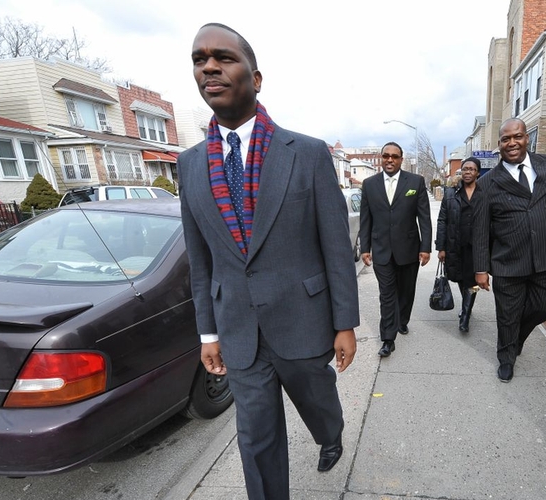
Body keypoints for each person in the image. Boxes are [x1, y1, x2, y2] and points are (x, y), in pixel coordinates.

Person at [178, 23, 359, 499]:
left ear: (256, 79)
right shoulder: (190, 164)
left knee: (317, 400)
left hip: (302, 318)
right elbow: (201, 258)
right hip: (238, 328)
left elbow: (337, 248)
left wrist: (345, 323)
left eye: (224, 58)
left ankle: (330, 432)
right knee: (255, 438)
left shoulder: (309, 154)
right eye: (200, 60)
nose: (210, 67)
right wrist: (208, 333)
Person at [473, 118, 546, 383]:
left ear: (527, 138)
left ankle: (516, 339)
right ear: (499, 144)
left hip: (545, 255)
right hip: (508, 260)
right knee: (507, 314)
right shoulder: (488, 183)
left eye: (517, 136)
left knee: (544, 308)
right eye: (506, 139)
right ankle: (506, 357)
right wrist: (480, 269)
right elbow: (480, 230)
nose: (512, 143)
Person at [359, 142, 432, 357]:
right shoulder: (369, 184)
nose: (389, 160)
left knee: (406, 291)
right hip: (381, 250)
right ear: (381, 158)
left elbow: (424, 218)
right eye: (386, 156)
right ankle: (388, 339)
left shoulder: (415, 182)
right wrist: (365, 248)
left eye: (394, 156)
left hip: (409, 249)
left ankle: (403, 319)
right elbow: (365, 219)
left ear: (401, 159)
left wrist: (425, 247)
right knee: (387, 294)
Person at [436, 157, 482, 332]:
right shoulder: (450, 193)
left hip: (476, 248)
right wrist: (441, 247)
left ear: (477, 172)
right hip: (455, 245)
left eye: (471, 169)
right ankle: (467, 305)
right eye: (465, 169)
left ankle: (465, 315)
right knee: (459, 279)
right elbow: (442, 220)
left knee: (473, 282)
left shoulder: (484, 193)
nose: (468, 172)